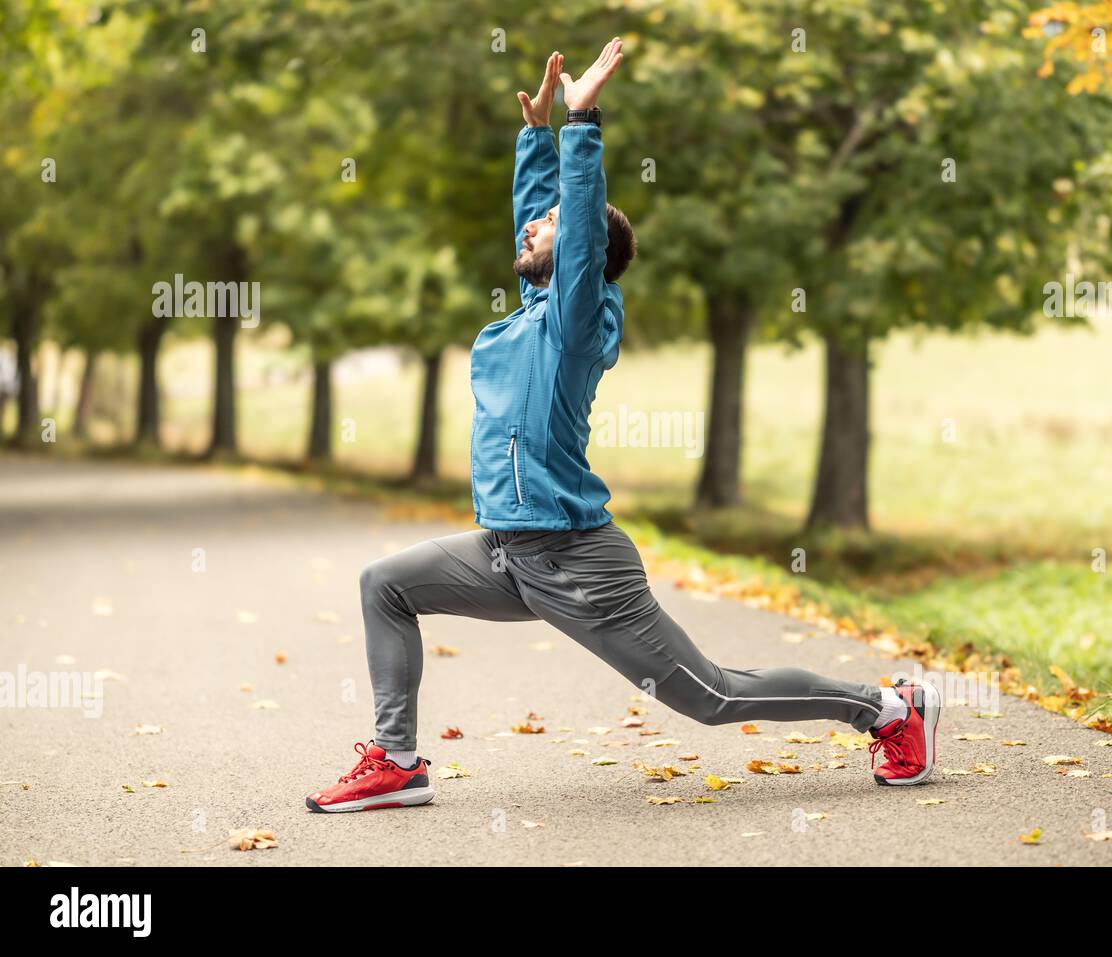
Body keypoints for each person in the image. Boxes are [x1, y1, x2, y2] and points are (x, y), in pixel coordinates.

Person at [306, 39, 940, 813]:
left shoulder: (573, 326)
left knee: (711, 695)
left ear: (582, 252)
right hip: (507, 550)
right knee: (385, 586)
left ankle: (889, 708)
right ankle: (398, 761)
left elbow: (573, 233)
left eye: (549, 224)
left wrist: (582, 126)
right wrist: (536, 140)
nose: (528, 230)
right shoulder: (535, 312)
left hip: (577, 561)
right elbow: (546, 225)